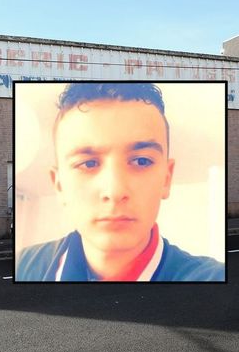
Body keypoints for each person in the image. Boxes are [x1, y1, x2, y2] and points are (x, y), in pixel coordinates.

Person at [16, 82, 225, 282]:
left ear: (166, 179)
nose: (114, 191)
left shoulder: (214, 280)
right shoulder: (25, 264)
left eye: (141, 161)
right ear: (59, 185)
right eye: (88, 164)